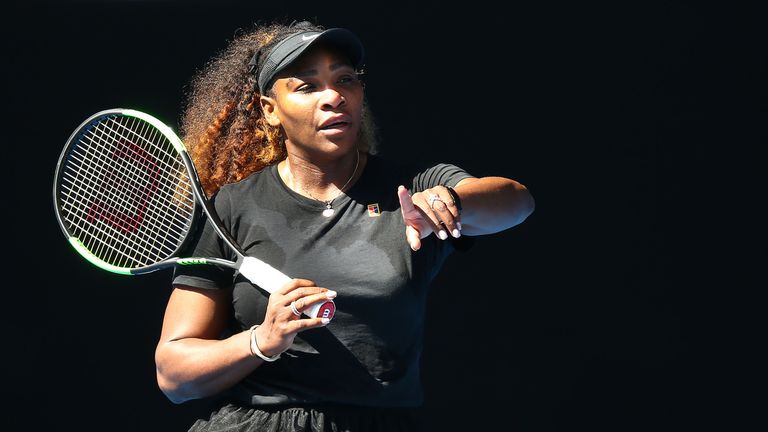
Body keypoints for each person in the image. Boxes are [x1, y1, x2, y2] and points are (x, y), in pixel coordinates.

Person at [154, 19, 535, 431]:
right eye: (307, 86)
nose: (334, 97)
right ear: (270, 110)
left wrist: (453, 201)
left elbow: (517, 201)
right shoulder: (230, 208)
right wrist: (261, 340)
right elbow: (174, 375)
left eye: (345, 80)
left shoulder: (411, 189)